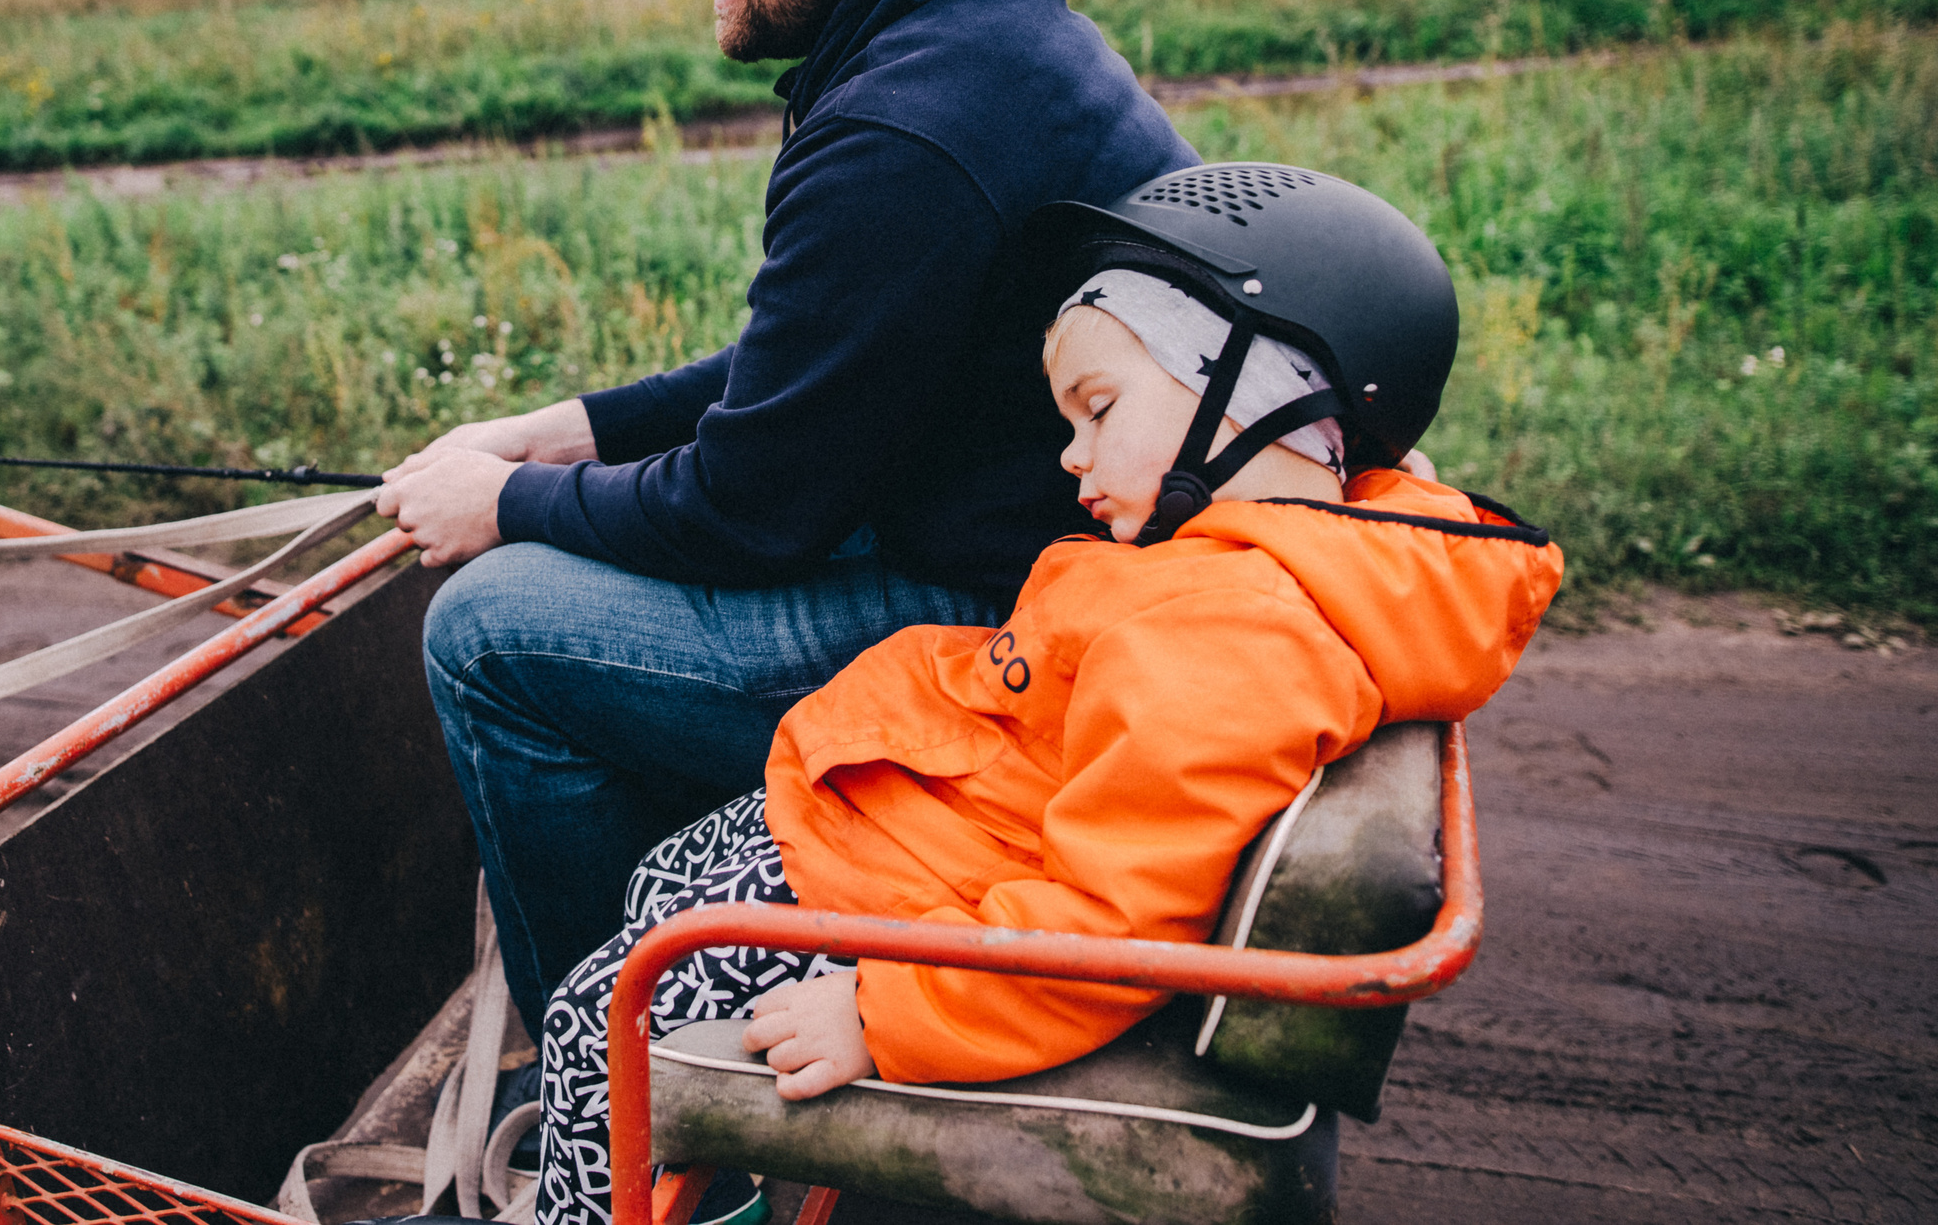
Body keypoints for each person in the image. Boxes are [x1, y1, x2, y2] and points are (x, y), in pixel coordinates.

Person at [374, 0, 1198, 1041]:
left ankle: (627, 1082)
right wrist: (562, 430)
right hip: (1045, 556)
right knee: (551, 558)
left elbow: (754, 508)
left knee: (490, 628)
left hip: (1014, 621)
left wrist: (502, 504)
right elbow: (815, 362)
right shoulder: (983, 34)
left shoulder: (907, 124)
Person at [523, 163, 1567, 1225]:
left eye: (1098, 409)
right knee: (663, 879)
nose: (1071, 457)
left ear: (1257, 397)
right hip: (941, 841)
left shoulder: (1227, 634)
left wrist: (888, 1014)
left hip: (942, 915)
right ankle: (710, 1185)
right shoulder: (1270, 554)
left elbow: (1113, 923)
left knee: (592, 1024)